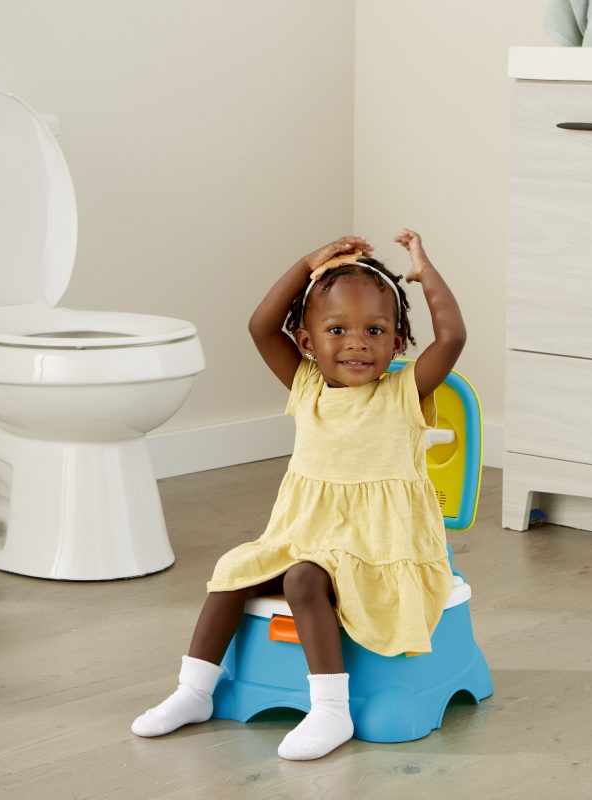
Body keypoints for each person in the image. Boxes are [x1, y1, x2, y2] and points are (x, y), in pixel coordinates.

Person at [131, 229, 466, 760]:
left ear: (398, 342)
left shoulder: (403, 392)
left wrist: (426, 275)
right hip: (304, 533)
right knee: (232, 572)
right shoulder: (306, 385)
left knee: (303, 579)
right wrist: (307, 263)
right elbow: (260, 326)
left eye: (375, 330)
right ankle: (194, 691)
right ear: (308, 343)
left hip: (376, 547)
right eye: (336, 329)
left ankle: (331, 710)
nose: (356, 342)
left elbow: (451, 338)